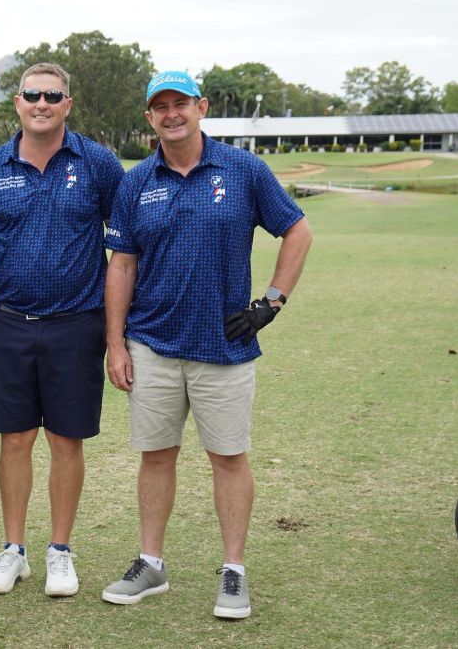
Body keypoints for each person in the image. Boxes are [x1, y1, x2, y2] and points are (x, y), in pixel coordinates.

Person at [101, 71, 313, 619]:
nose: (171, 113)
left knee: (228, 456)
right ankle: (151, 563)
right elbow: (121, 263)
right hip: (152, 341)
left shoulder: (242, 169)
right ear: (149, 118)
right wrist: (116, 343)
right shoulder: (135, 182)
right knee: (156, 454)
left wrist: (272, 301)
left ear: (202, 108)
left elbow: (297, 229)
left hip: (225, 344)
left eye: (181, 104)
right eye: (160, 107)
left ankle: (234, 571)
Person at [0, 63, 125, 598]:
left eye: (52, 96)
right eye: (32, 94)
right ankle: (14, 549)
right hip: (10, 323)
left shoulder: (99, 164)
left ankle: (60, 550)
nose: (41, 103)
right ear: (18, 102)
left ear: (67, 104)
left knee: (65, 439)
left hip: (77, 326)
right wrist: (14, 287)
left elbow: (122, 244)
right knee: (14, 437)